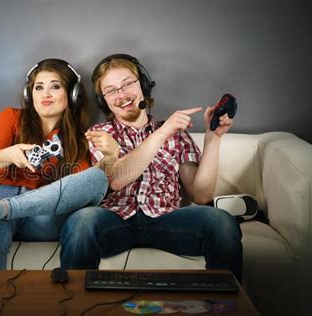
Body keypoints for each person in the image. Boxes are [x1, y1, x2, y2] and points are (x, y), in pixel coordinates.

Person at [59, 54, 243, 281]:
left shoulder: (178, 136)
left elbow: (201, 194)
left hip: (166, 221)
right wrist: (162, 132)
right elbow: (117, 179)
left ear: (143, 85)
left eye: (128, 84)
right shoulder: (100, 134)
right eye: (112, 90)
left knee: (222, 221)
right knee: (81, 221)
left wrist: (213, 137)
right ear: (103, 100)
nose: (122, 95)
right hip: (114, 220)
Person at [0, 58, 108, 270]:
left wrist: (110, 157)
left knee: (96, 177)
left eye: (55, 86)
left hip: (42, 214)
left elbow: (79, 189)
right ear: (29, 94)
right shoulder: (10, 117)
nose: (45, 94)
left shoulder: (80, 139)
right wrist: (8, 155)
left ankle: (5, 209)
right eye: (39, 87)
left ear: (73, 94)